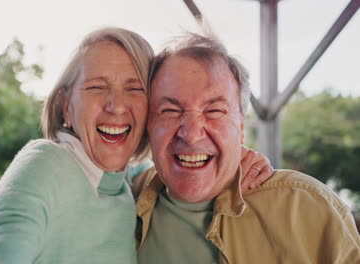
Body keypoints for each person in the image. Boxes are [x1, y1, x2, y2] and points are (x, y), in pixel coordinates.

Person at [0, 27, 272, 264]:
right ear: (66, 108)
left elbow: (169, 166)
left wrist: (234, 158)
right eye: (96, 87)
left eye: (134, 88)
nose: (116, 106)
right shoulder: (44, 163)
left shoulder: (129, 183)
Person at [133, 33, 360, 263]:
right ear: (148, 126)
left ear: (240, 127)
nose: (191, 134)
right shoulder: (125, 199)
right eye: (169, 111)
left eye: (214, 111)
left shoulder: (306, 207)